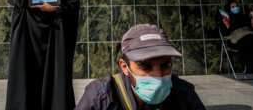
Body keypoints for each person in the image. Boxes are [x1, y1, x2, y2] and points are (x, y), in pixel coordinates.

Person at [0, 0, 81, 110]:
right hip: (32, 37)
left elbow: (73, 5)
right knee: (31, 75)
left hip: (56, 36)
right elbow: (24, 4)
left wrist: (56, 10)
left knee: (56, 75)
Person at [76, 24, 206, 110]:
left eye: (165, 65)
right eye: (146, 67)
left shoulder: (184, 95)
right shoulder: (101, 97)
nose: (158, 76)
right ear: (125, 67)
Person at [220, 0, 253, 73]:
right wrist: (227, 26)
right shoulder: (226, 20)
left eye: (236, 6)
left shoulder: (244, 17)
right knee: (250, 40)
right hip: (236, 39)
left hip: (249, 35)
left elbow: (252, 28)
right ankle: (251, 68)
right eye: (233, 7)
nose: (236, 8)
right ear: (229, 9)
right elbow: (224, 34)